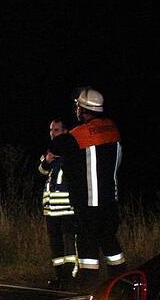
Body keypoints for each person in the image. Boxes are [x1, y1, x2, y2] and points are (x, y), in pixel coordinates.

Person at [48, 87, 125, 287]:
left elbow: (56, 147)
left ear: (83, 109)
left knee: (86, 242)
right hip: (110, 200)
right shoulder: (112, 127)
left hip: (89, 202)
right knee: (109, 241)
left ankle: (89, 284)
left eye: (78, 107)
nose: (76, 110)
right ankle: (121, 282)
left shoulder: (81, 133)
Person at [37, 120, 76, 289]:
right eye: (51, 130)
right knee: (55, 244)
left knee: (69, 243)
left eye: (56, 130)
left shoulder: (71, 151)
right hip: (51, 208)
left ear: (65, 131)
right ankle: (59, 277)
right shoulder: (49, 151)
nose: (52, 133)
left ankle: (70, 278)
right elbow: (41, 170)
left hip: (67, 207)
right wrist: (47, 161)